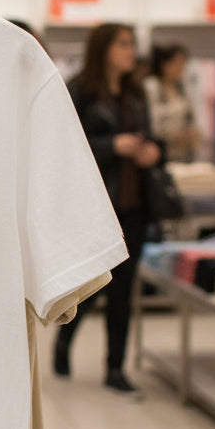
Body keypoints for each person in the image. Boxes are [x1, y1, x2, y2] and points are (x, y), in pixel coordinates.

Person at [53, 22, 162, 393]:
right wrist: (113, 146)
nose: (131, 51)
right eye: (124, 44)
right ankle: (65, 340)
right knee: (93, 284)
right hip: (97, 205)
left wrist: (155, 150)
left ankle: (115, 368)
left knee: (123, 291)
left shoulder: (136, 93)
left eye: (132, 44)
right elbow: (66, 143)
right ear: (104, 48)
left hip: (134, 203)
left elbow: (152, 136)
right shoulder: (80, 91)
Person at [143, 43, 198, 162]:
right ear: (165, 64)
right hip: (160, 151)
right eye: (177, 63)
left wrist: (191, 132)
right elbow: (151, 122)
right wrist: (175, 135)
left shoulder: (182, 87)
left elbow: (191, 117)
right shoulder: (152, 87)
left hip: (183, 152)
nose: (181, 68)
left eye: (183, 63)